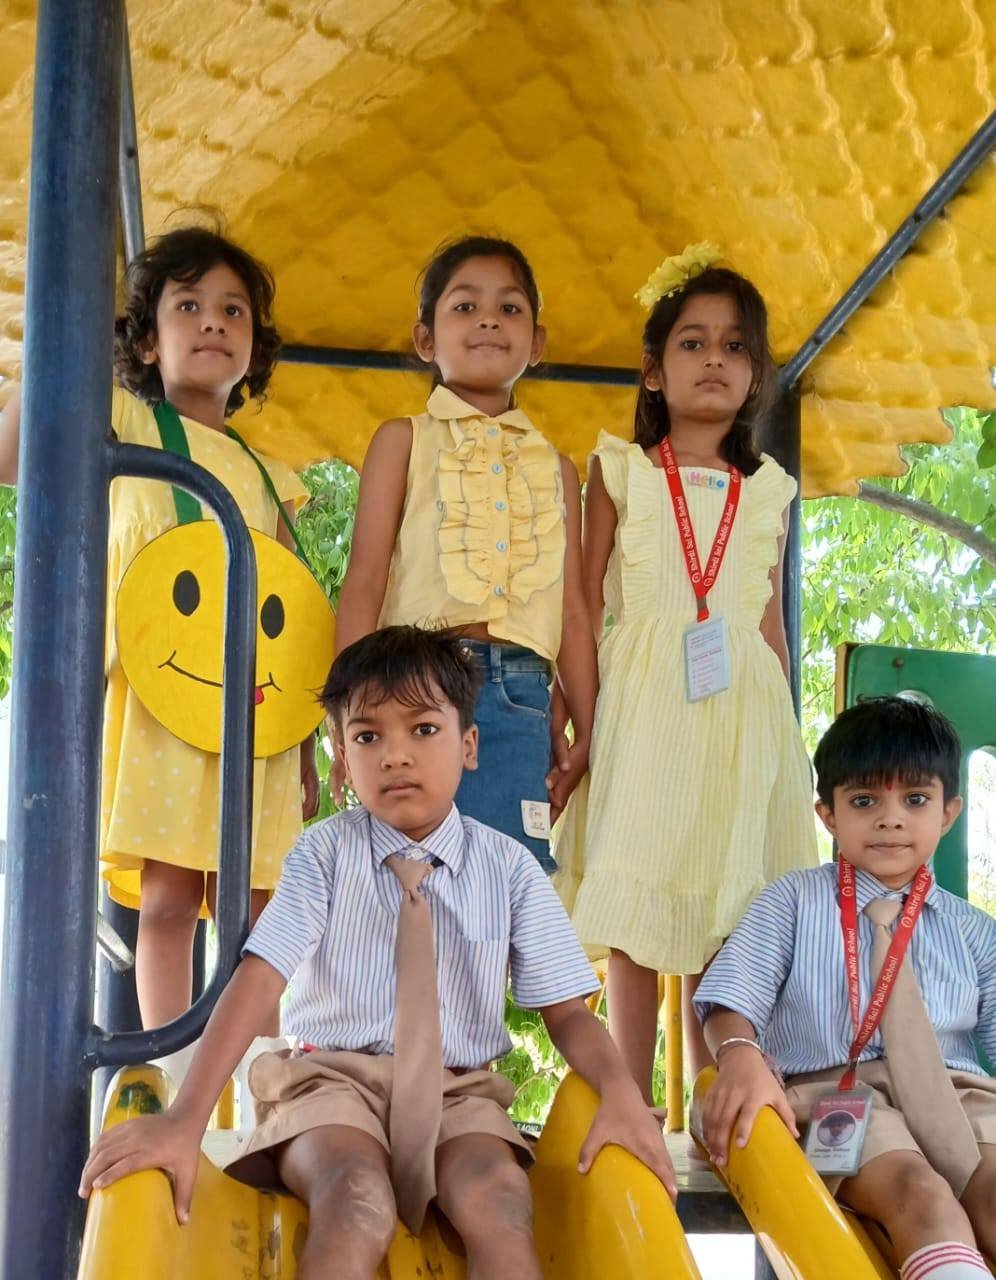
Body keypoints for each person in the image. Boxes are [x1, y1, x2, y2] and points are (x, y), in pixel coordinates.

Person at [79, 626, 676, 1280]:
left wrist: (620, 1091)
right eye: (368, 737)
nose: (395, 755)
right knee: (356, 1201)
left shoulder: (509, 869)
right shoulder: (322, 854)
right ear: (341, 758)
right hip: (331, 1085)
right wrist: (186, 1120)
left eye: (423, 730)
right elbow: (259, 979)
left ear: (469, 745)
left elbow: (569, 1014)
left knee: (502, 1202)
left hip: (458, 1094)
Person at [0, 226, 318, 1035]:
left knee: (258, 909)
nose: (213, 322)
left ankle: (257, 1077)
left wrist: (308, 741)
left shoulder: (267, 475)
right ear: (145, 340)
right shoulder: (123, 421)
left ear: (254, 346)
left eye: (233, 310)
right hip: (161, 696)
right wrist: (58, 340)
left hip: (254, 711)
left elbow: (289, 621)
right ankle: (169, 1067)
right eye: (189, 306)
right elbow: (12, 456)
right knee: (170, 895)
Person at [555, 243, 817, 1098]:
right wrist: (578, 715)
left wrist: (787, 745)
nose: (715, 360)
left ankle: (718, 1103)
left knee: (727, 902)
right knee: (637, 897)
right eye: (693, 342)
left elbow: (770, 627)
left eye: (736, 346)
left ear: (756, 374)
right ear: (653, 370)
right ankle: (627, 1100)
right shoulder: (621, 472)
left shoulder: (770, 491)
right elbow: (582, 604)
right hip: (643, 710)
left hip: (743, 717)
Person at [696, 697, 996, 1280]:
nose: (890, 819)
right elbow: (730, 1001)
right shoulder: (792, 901)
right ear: (828, 815)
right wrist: (739, 1055)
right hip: (839, 1094)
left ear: (949, 812)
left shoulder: (975, 931)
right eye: (864, 801)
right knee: (920, 1195)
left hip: (957, 1095)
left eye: (915, 799)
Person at [333, 235, 596, 874]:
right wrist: (347, 712)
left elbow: (572, 614)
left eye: (510, 308)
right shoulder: (402, 440)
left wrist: (590, 729)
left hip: (522, 701)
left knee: (504, 883)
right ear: (426, 339)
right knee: (411, 878)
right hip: (410, 694)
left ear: (537, 343)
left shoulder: (559, 468)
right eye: (465, 307)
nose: (488, 320)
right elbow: (364, 580)